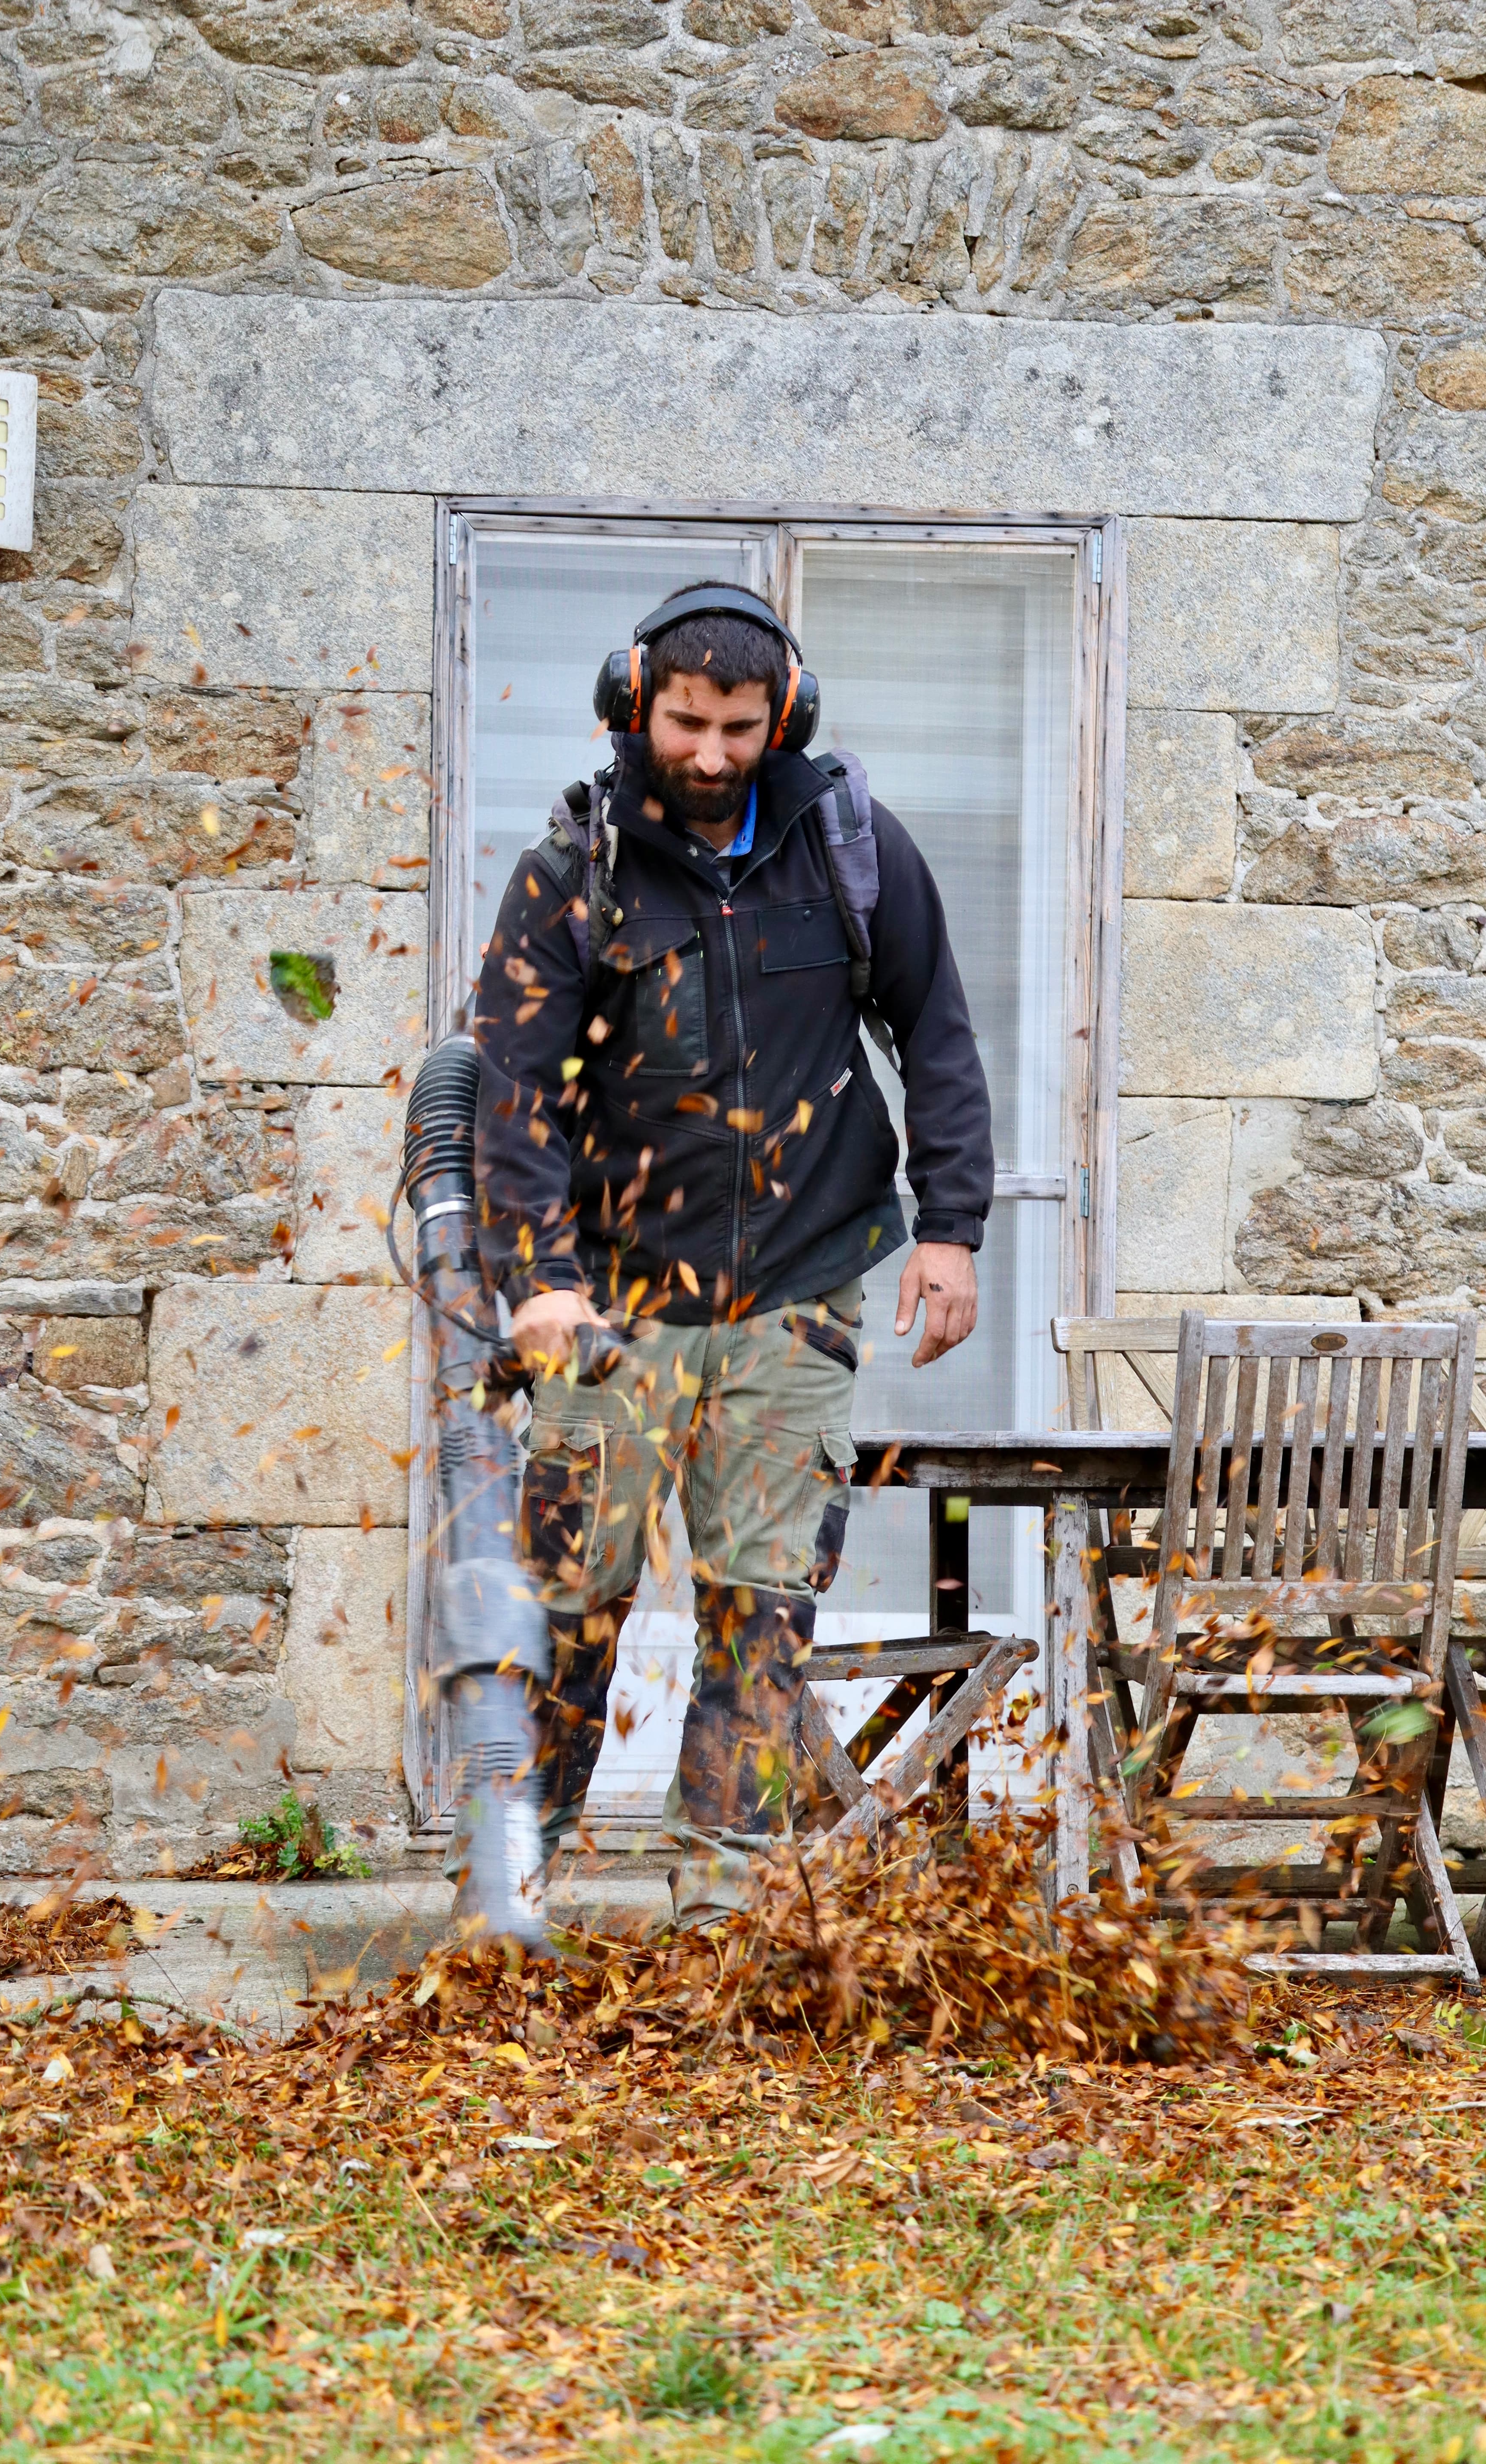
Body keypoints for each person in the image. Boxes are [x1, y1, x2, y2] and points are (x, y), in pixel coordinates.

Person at [472, 583, 994, 1925]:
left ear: (786, 717)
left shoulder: (852, 847)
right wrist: (538, 1278)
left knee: (760, 1616)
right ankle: (513, 1894)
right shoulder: (573, 870)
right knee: (569, 1606)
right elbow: (513, 1094)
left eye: (740, 728)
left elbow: (936, 1032)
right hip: (613, 1303)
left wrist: (952, 1228)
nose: (711, 754)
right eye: (687, 724)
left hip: (797, 1293)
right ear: (635, 703)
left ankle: (719, 1913)